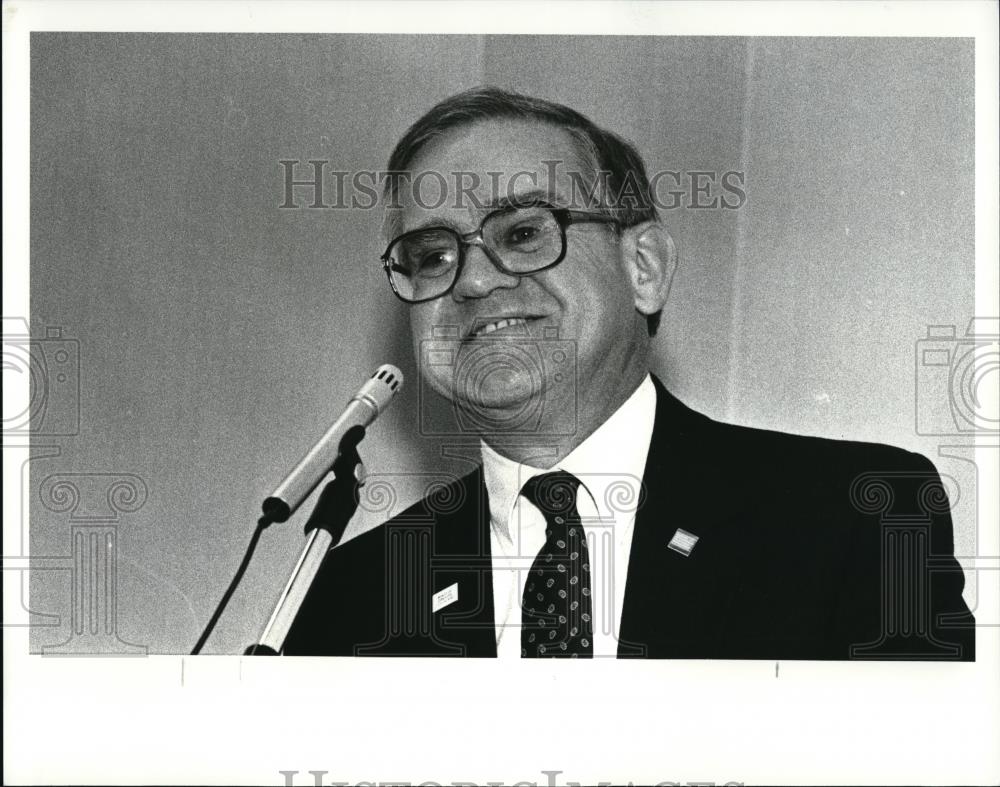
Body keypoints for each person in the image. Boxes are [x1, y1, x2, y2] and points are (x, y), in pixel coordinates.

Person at [283, 87, 975, 659]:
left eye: (522, 232)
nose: (473, 281)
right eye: (431, 254)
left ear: (643, 269)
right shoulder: (351, 592)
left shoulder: (857, 515)